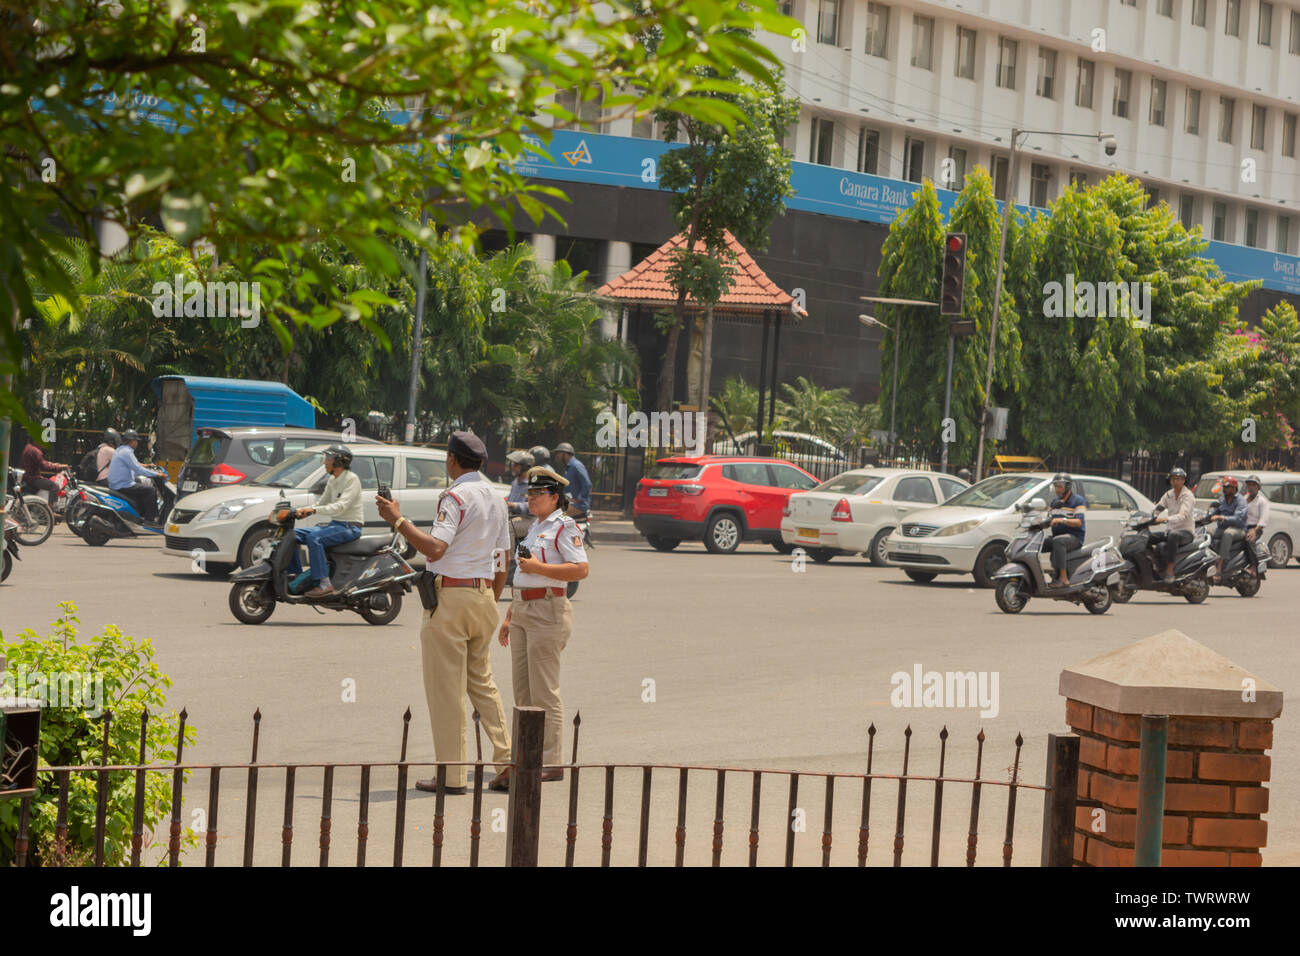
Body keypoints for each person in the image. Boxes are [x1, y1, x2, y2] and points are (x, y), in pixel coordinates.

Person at [376, 430, 513, 795]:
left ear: (452, 459)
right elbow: (503, 557)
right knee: (482, 683)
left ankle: (452, 775)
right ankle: (507, 761)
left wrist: (397, 520)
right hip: (483, 596)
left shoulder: (455, 496)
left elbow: (436, 549)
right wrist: (490, 598)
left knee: (446, 691)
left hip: (450, 599)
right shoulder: (497, 498)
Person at [498, 466, 588, 782]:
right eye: (530, 494)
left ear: (554, 497)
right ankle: (527, 755)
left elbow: (580, 569)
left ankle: (551, 761)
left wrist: (540, 567)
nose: (531, 499)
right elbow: (523, 574)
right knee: (523, 690)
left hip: (548, 609)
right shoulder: (536, 526)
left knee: (544, 691)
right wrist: (510, 614)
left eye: (537, 494)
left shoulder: (564, 526)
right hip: (523, 609)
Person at [285, 444, 362, 598]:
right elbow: (321, 503)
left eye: (328, 458)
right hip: (336, 525)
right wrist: (303, 511)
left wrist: (313, 510)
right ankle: (296, 576)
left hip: (350, 527)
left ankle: (325, 584)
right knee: (292, 535)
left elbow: (340, 507)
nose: (324, 462)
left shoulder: (351, 479)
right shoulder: (332, 479)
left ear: (339, 461)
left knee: (315, 538)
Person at [107, 429, 170, 522]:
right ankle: (150, 519)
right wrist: (157, 474)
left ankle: (141, 514)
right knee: (150, 490)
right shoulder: (127, 452)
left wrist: (148, 465)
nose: (137, 443)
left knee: (140, 483)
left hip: (117, 483)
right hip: (123, 485)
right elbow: (138, 469)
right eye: (136, 441)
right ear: (131, 441)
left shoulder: (120, 450)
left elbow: (134, 464)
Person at [1152, 467, 1197, 582]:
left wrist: (1164, 519)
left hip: (1185, 533)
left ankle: (1170, 571)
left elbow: (1183, 515)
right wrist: (1151, 517)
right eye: (1173, 479)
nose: (1175, 482)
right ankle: (1154, 567)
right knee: (1147, 537)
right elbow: (1158, 508)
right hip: (1170, 530)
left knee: (1173, 535)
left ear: (1184, 481)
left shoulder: (1188, 496)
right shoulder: (1168, 495)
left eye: (1178, 479)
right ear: (1170, 481)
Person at [1046, 473, 1086, 588]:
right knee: (1037, 543)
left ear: (1067, 487)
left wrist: (1062, 520)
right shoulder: (1055, 502)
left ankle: (1063, 578)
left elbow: (1079, 522)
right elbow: (1048, 519)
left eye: (1060, 486)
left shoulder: (1078, 501)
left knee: (1059, 541)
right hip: (1057, 537)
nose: (1057, 489)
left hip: (1074, 538)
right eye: (1056, 486)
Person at [1208, 476, 1248, 582]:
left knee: (1228, 533)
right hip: (1222, 529)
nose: (1224, 489)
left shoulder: (1241, 500)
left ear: (1234, 488)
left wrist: (1222, 517)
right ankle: (1209, 561)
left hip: (1238, 529)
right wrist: (1203, 518)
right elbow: (1214, 513)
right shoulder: (1221, 499)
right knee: (1207, 533)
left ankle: (1220, 567)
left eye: (1227, 487)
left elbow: (1238, 518)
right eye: (1223, 487)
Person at [18, 436, 69, 506]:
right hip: (33, 478)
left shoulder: (28, 447)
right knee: (55, 487)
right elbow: (44, 466)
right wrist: (58, 467)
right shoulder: (35, 451)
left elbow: (41, 462)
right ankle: (50, 509)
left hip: (28, 476)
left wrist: (55, 464)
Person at [552, 442, 591, 517]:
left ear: (565, 454)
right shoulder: (568, 467)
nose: (557, 456)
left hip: (578, 506)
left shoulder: (576, 466)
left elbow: (587, 484)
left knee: (554, 515)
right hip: (570, 503)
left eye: (559, 453)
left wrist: (580, 498)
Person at [1243, 474, 1271, 575]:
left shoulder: (1262, 501)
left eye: (1253, 485)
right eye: (1249, 484)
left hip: (1255, 528)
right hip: (1242, 527)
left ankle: (1254, 566)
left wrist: (1254, 530)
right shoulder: (1243, 499)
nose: (1251, 487)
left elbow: (1264, 519)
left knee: (1249, 540)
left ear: (1258, 487)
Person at [505, 449, 535, 541]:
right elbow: (509, 500)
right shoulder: (515, 482)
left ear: (525, 467)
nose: (512, 467)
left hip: (529, 519)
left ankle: (509, 555)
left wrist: (514, 505)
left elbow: (533, 506)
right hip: (515, 517)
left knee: (508, 529)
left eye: (515, 465)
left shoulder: (533, 484)